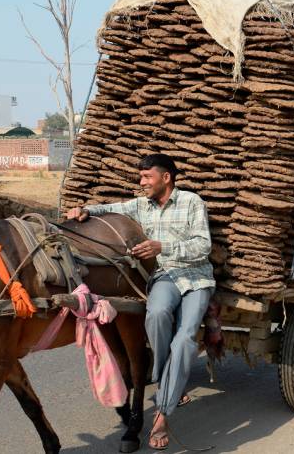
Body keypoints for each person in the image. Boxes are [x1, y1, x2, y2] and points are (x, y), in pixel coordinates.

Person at [65, 153, 215, 450]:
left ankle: (162, 411)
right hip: (163, 278)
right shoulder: (140, 205)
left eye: (147, 177)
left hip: (196, 278)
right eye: (141, 176)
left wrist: (163, 246)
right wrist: (85, 210)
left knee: (185, 339)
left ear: (166, 178)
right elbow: (110, 208)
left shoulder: (191, 202)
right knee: (155, 315)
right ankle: (167, 380)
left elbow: (203, 245)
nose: (142, 182)